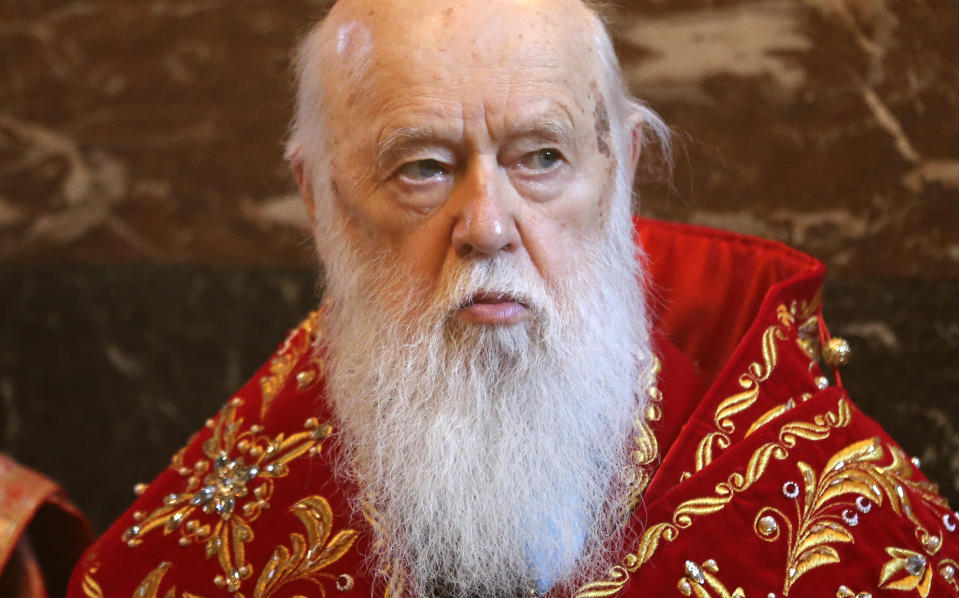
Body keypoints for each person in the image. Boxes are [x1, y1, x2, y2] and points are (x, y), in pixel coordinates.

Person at [67, 1, 959, 596]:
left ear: (621, 169)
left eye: (541, 157)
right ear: (316, 196)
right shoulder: (236, 510)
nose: (488, 226)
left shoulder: (819, 499)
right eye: (421, 167)